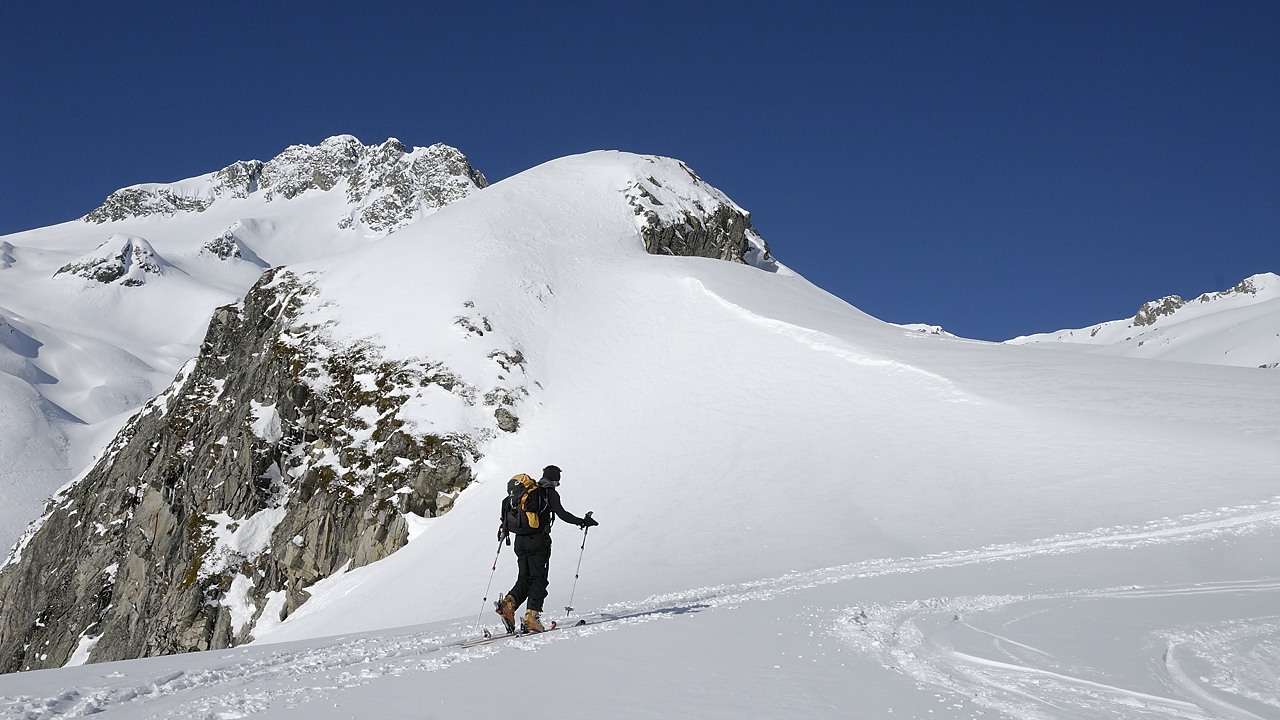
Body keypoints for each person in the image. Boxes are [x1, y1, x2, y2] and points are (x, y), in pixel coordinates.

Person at [496, 464, 598, 633]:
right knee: (539, 579)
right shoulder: (548, 493)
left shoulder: (528, 492)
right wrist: (582, 521)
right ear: (556, 480)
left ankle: (508, 605)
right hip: (538, 541)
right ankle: (531, 618)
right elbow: (562, 514)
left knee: (524, 578)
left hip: (519, 541)